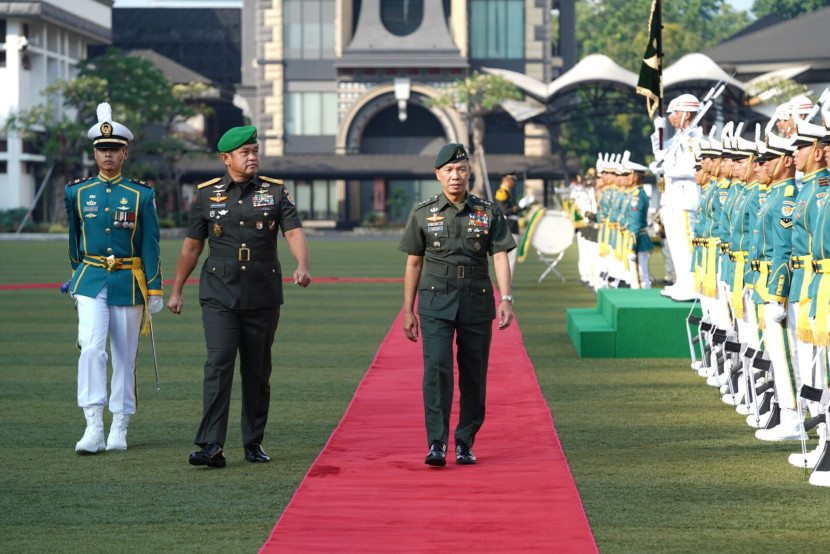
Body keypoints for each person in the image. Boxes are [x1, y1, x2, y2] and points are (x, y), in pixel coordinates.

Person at [167, 125, 311, 468]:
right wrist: (176, 289)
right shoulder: (205, 195)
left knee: (257, 371)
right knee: (218, 363)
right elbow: (191, 247)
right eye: (245, 153)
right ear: (226, 158)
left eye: (255, 151)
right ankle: (211, 444)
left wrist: (302, 264)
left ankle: (253, 441)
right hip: (220, 293)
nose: (253, 157)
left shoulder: (276, 192)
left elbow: (293, 233)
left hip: (262, 293)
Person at [399, 143, 516, 467]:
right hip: (435, 302)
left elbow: (500, 256)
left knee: (474, 375)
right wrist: (408, 310)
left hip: (476, 301)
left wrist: (505, 298)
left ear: (469, 173)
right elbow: (413, 264)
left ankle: (465, 441)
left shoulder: (488, 211)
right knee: (436, 371)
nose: (455, 176)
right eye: (448, 170)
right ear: (438, 174)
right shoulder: (423, 213)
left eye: (461, 170)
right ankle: (437, 442)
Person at [64, 101, 163, 454]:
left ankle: (119, 425)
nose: (108, 155)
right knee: (91, 349)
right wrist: (76, 277)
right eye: (102, 149)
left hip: (127, 279)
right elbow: (74, 241)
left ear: (125, 153)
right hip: (91, 278)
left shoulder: (141, 194)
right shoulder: (77, 192)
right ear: (95, 154)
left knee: (125, 355)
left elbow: (151, 245)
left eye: (114, 149)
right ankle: (92, 426)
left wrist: (154, 288)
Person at [653, 94, 701, 301]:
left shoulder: (694, 139)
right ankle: (682, 281)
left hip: (685, 198)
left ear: (687, 115)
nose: (671, 116)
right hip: (672, 199)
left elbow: (694, 168)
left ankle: (693, 286)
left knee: (686, 243)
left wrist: (668, 171)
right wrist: (658, 132)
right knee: (675, 243)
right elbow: (660, 155)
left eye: (675, 112)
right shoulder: (678, 139)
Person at [494, 172, 524, 275]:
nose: (514, 183)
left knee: (509, 255)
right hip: (509, 225)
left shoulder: (507, 192)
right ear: (507, 180)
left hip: (511, 225)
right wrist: (519, 207)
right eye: (512, 181)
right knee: (510, 255)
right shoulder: (502, 192)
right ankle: (507, 281)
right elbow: (505, 210)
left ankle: (507, 280)